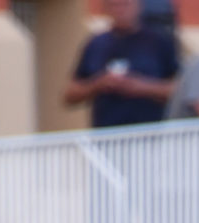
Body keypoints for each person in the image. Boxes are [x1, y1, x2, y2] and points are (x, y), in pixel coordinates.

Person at [65, 0, 180, 129]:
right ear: (106, 9)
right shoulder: (96, 44)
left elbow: (178, 89)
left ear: (138, 5)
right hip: (108, 134)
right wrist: (98, 84)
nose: (120, 10)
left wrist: (142, 87)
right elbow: (70, 95)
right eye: (114, 5)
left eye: (125, 4)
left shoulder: (158, 42)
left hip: (150, 133)